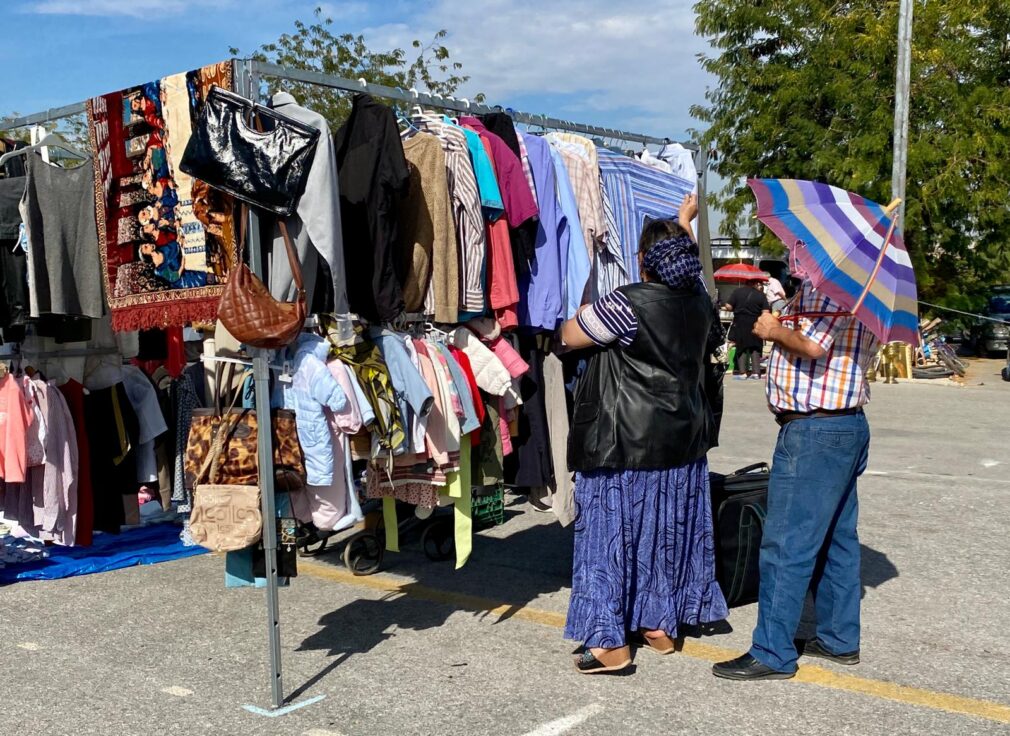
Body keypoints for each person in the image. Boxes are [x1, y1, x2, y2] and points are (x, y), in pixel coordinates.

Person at [559, 193, 728, 675]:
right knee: (664, 535)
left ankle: (611, 645)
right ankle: (660, 627)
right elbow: (690, 274)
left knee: (610, 539)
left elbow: (570, 336)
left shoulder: (626, 305)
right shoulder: (700, 303)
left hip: (626, 444)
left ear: (643, 261)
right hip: (683, 444)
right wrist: (683, 224)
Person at [712, 276, 879, 681]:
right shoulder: (866, 287)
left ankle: (772, 650)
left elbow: (814, 346)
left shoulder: (833, 284)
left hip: (814, 432)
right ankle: (839, 638)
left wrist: (773, 330)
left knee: (786, 544)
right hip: (843, 424)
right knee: (838, 539)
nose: (793, 254)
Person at [724, 278, 770, 379]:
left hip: (740, 322)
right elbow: (766, 312)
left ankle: (743, 373)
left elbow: (728, 306)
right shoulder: (760, 295)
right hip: (755, 323)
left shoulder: (737, 292)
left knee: (741, 347)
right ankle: (756, 372)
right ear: (754, 283)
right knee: (755, 347)